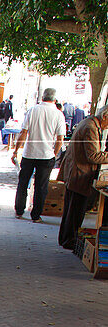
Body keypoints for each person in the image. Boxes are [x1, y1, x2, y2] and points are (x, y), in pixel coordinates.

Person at [57, 106, 108, 250]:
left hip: (76, 173)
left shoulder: (90, 123)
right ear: (105, 116)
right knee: (75, 210)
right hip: (79, 174)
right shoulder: (91, 127)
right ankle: (69, 240)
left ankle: (66, 239)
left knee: (71, 209)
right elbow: (92, 156)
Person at [11, 88, 66, 221]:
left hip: (29, 153)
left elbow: (23, 132)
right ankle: (36, 215)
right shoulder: (58, 115)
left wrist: (16, 150)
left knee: (23, 183)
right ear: (55, 99)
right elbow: (60, 139)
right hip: (46, 155)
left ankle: (19, 210)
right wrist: (54, 153)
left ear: (42, 97)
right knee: (41, 186)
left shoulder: (32, 110)